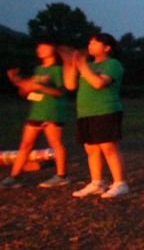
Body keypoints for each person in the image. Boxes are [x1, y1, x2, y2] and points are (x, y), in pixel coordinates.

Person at [62, 33, 129, 199]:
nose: (90, 46)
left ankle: (120, 183)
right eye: (89, 43)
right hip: (86, 112)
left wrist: (82, 65)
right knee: (91, 149)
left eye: (95, 43)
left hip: (106, 109)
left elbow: (99, 83)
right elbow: (70, 85)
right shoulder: (88, 65)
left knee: (109, 147)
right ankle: (97, 183)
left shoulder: (112, 64)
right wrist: (70, 64)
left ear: (107, 48)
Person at [1, 41, 69, 188]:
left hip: (52, 112)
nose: (40, 49)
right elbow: (28, 91)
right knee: (25, 145)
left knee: (56, 144)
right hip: (37, 112)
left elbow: (61, 92)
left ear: (53, 49)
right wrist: (17, 82)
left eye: (44, 46)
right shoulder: (39, 69)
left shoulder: (57, 70)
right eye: (39, 47)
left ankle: (62, 176)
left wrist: (41, 87)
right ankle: (15, 177)